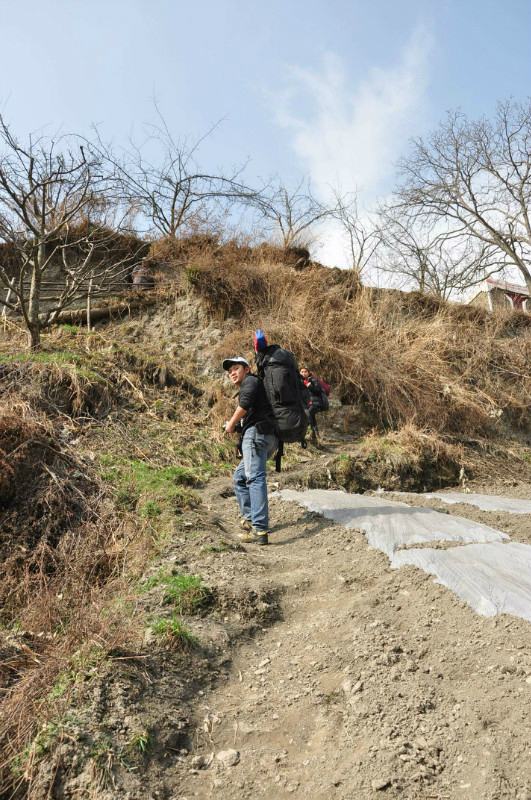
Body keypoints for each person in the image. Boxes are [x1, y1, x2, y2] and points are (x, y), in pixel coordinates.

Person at [223, 356, 278, 546]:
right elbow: (251, 415)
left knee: (254, 478)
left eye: (236, 368)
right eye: (230, 371)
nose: (232, 373)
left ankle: (260, 528)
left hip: (257, 436)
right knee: (240, 478)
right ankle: (250, 519)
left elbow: (244, 405)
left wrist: (230, 424)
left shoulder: (251, 381)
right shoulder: (255, 385)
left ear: (247, 369)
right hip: (265, 437)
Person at [300, 366, 327, 438]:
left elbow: (318, 391)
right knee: (311, 417)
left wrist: (310, 386)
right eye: (302, 372)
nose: (303, 373)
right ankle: (316, 436)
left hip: (315, 403)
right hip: (308, 404)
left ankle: (307, 434)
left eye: (305, 372)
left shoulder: (313, 380)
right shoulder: (300, 382)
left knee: (307, 415)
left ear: (308, 373)